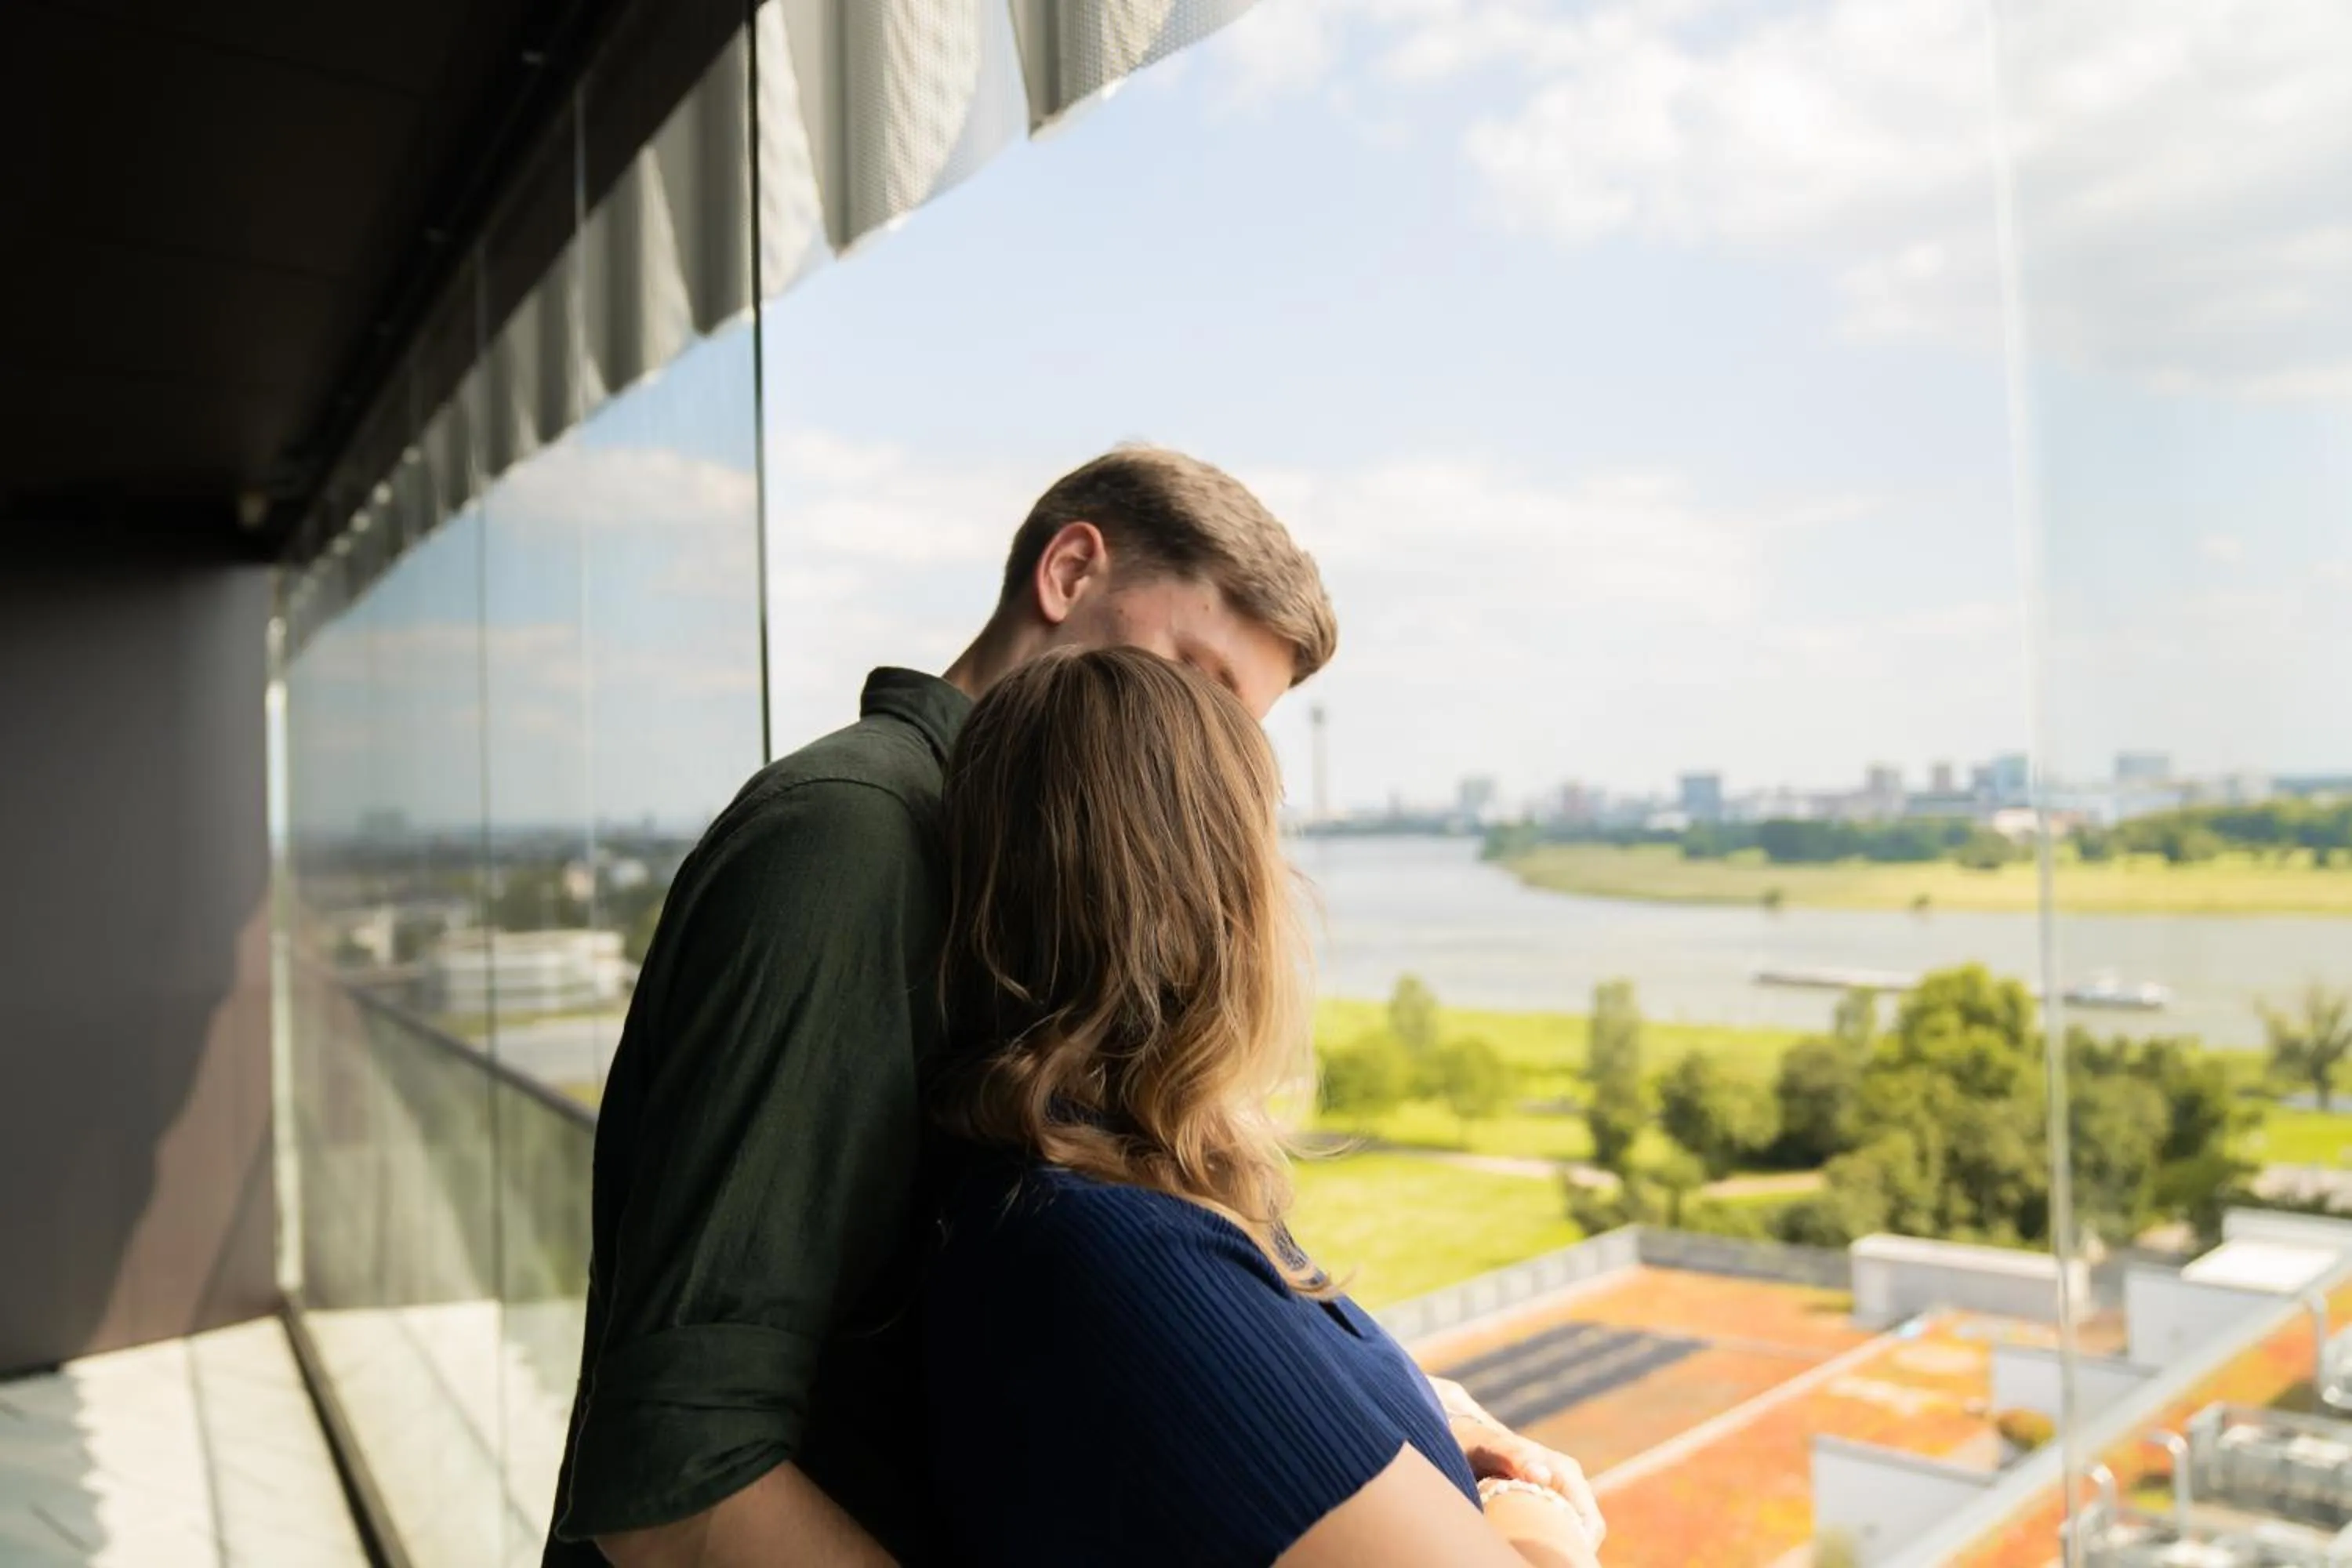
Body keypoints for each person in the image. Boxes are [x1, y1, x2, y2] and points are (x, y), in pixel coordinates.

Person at [546, 446, 1595, 1566]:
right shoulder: (852, 839)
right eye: (1200, 680)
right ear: (1070, 571)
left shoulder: (976, 869)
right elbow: (677, 1475)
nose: (1209, 760)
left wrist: (1378, 1401)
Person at [925, 646, 1602, 1568]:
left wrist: (1444, 1414)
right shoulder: (1123, 1254)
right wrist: (1530, 1508)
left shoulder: (1123, 1177)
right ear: (1218, 903)